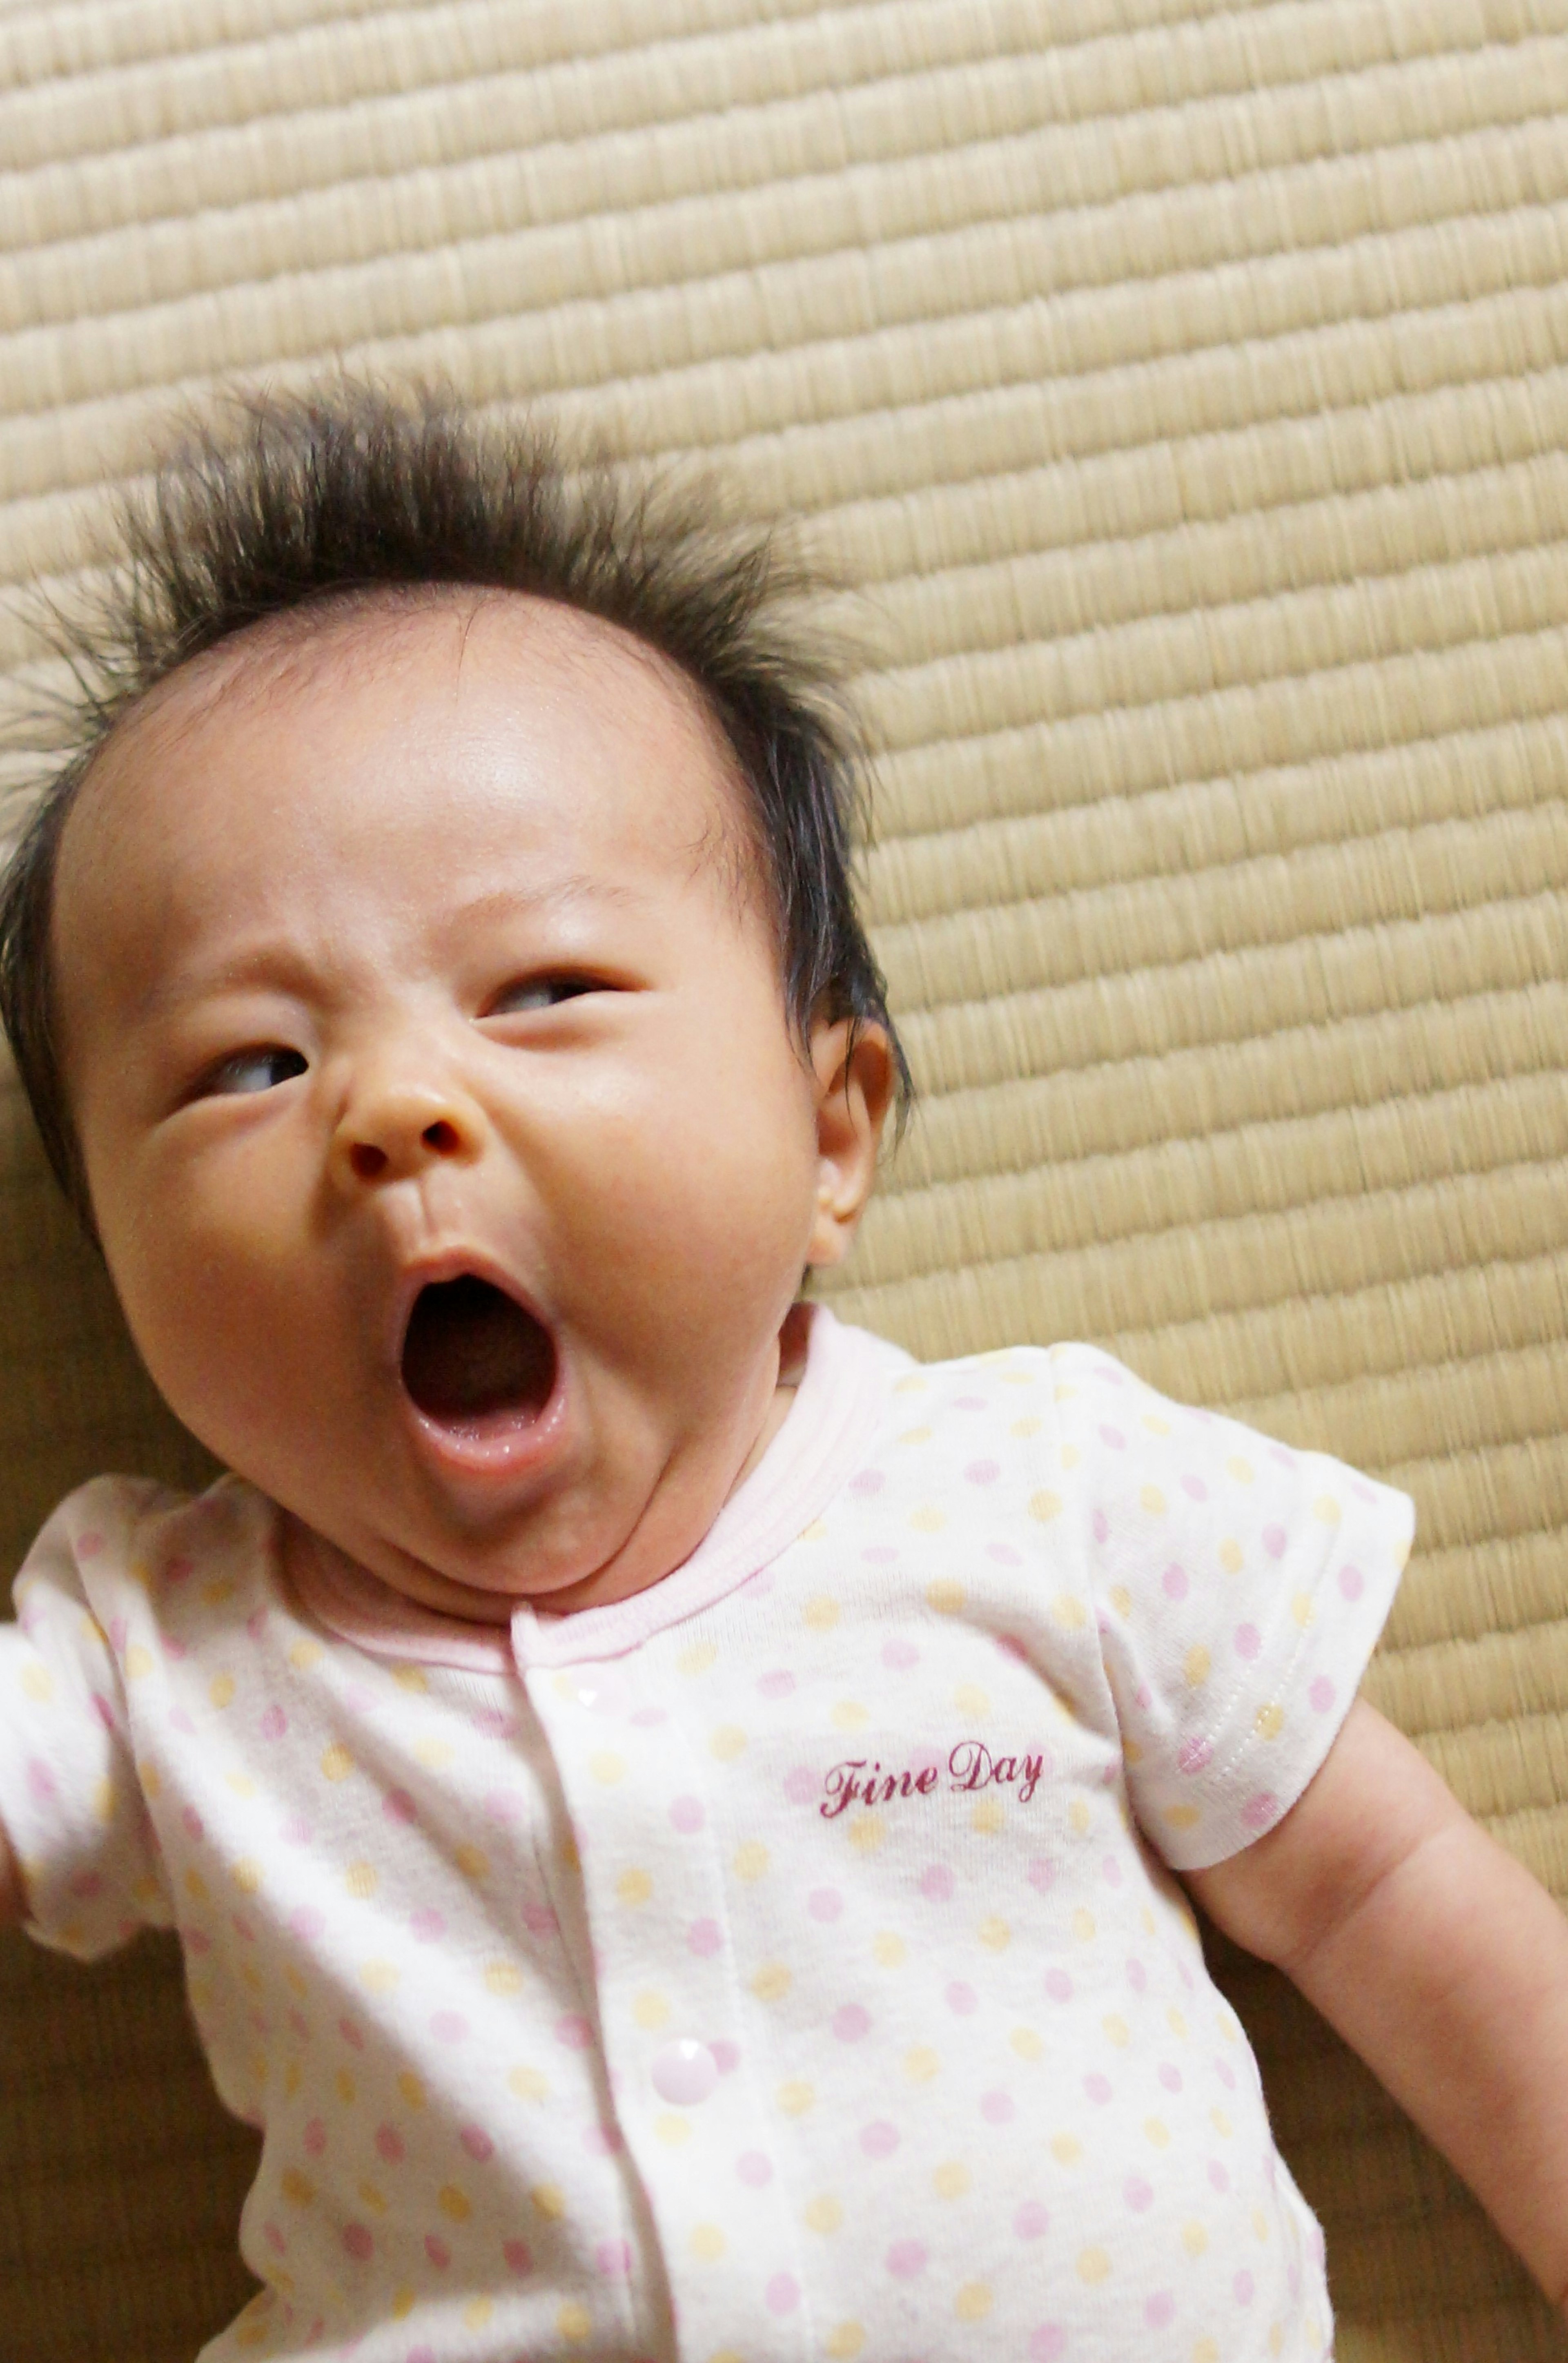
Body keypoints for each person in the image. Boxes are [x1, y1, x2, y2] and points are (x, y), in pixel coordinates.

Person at [0, 383, 1563, 2363]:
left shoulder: (1042, 1489)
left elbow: (1392, 1899)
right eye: (251, 1064)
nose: (392, 1108)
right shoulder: (154, 1649)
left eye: (541, 990)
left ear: (832, 1133)